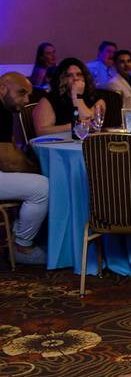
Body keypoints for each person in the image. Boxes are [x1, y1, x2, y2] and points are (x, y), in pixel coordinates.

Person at [0, 73, 49, 265]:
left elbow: (10, 150)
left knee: (35, 182)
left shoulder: (4, 109)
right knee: (42, 187)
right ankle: (22, 246)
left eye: (28, 95)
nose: (26, 100)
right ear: (3, 87)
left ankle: (17, 238)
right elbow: (7, 161)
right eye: (22, 93)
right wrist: (37, 170)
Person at [33, 59, 106, 136]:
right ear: (61, 79)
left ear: (85, 77)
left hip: (91, 143)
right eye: (69, 75)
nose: (75, 78)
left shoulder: (96, 97)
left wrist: (77, 97)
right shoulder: (50, 99)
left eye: (79, 74)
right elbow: (41, 131)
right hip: (60, 144)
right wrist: (72, 126)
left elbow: (92, 125)